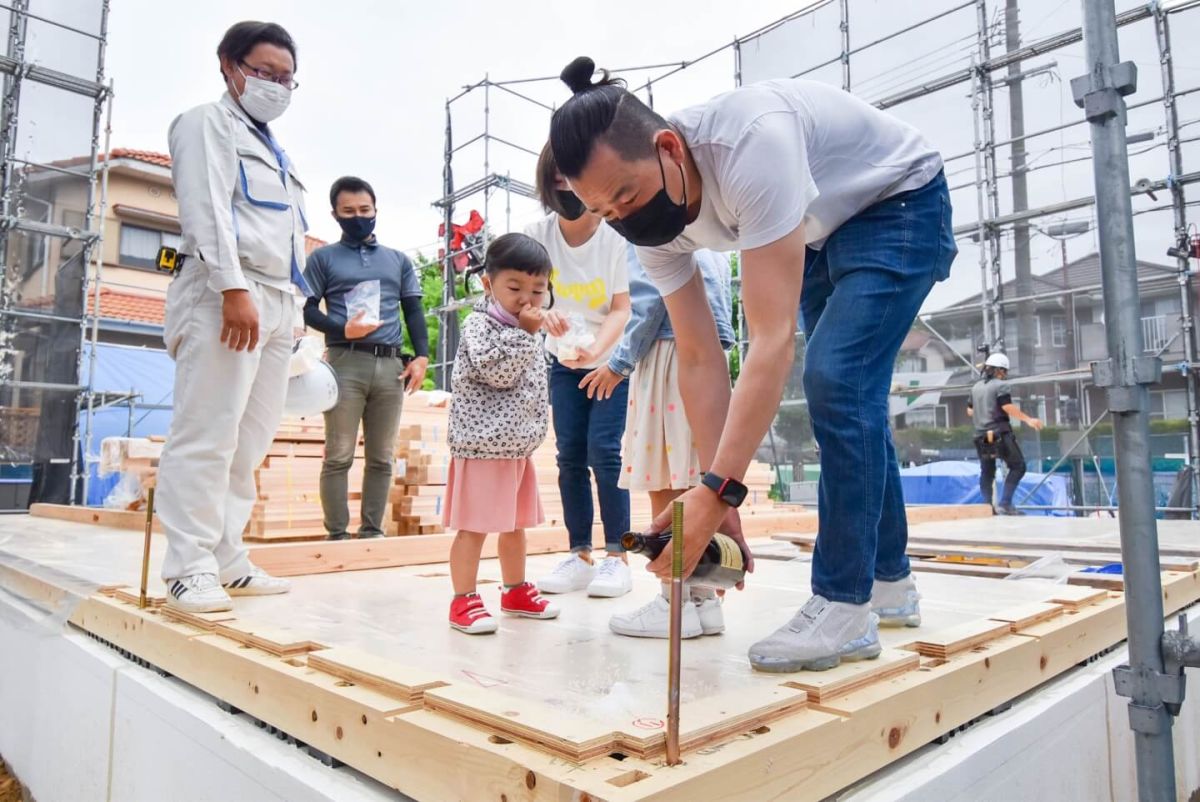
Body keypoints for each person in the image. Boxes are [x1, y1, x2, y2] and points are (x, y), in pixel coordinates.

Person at [549, 57, 957, 672]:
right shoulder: (651, 233)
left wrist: (716, 489)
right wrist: (724, 495)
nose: (626, 218)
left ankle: (845, 603)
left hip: (898, 201)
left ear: (667, 148)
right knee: (853, 394)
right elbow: (697, 354)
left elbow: (769, 340)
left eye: (628, 195)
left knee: (837, 381)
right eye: (606, 212)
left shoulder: (748, 145)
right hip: (824, 230)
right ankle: (890, 584)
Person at [157, 21, 310, 613]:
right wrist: (231, 286)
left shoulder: (276, 150)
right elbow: (206, 207)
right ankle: (187, 566)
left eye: (287, 79)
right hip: (228, 290)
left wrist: (292, 310)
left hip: (276, 301)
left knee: (248, 441)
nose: (276, 85)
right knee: (208, 431)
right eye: (265, 72)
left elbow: (287, 234)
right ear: (229, 65)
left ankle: (227, 558)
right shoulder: (206, 123)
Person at [602, 248, 738, 639]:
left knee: (664, 475)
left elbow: (649, 302)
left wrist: (619, 362)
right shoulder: (710, 235)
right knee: (697, 475)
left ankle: (672, 602)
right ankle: (703, 598)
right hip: (707, 355)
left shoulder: (648, 229)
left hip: (666, 353)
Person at [525, 143, 634, 599]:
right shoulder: (537, 235)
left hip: (609, 363)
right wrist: (540, 315)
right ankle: (580, 553)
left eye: (573, 178)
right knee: (569, 455)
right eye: (557, 180)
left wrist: (598, 350)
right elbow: (525, 300)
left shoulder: (616, 235)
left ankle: (618, 556)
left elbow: (622, 308)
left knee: (604, 452)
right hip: (562, 363)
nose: (566, 188)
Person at [443, 233, 560, 634]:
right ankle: (463, 599)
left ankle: (514, 590)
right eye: (515, 288)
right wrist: (526, 333)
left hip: (515, 447)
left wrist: (536, 331)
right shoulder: (480, 325)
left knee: (514, 525)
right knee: (474, 526)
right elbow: (499, 372)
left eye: (538, 290)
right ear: (488, 284)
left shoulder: (525, 326)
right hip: (481, 446)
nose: (527, 299)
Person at [302, 176, 430, 540]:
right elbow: (306, 309)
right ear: (335, 214)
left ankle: (372, 532)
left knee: (382, 456)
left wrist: (421, 356)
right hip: (345, 362)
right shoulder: (323, 259)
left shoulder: (398, 260)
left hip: (391, 366)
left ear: (375, 210)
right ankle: (337, 534)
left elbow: (414, 310)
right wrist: (343, 330)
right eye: (349, 212)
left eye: (365, 210)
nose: (358, 217)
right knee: (339, 452)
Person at [967, 352, 1044, 515]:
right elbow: (1006, 406)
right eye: (1005, 371)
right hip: (999, 434)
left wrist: (983, 409)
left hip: (981, 436)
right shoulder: (1000, 386)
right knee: (1018, 466)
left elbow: (969, 411)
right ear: (999, 370)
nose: (1005, 375)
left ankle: (987, 507)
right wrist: (1028, 420)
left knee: (987, 472)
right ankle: (1006, 503)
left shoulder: (975, 387)